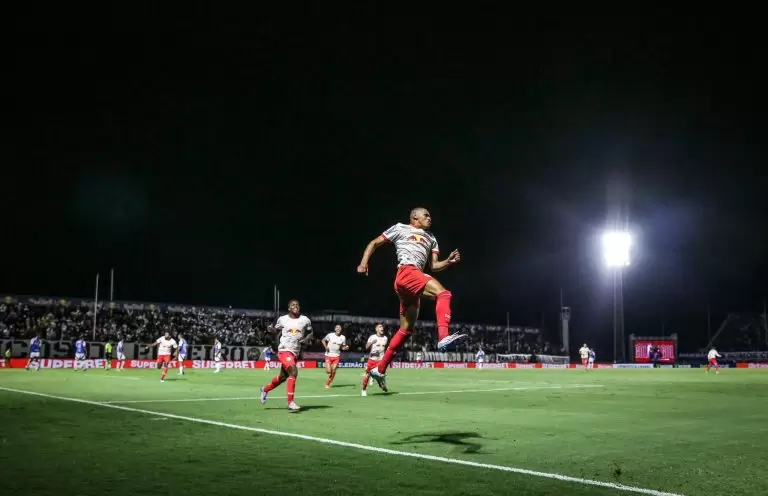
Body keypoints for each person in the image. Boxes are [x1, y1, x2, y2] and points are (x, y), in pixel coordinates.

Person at [358, 207, 467, 391]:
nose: (430, 218)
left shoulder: (431, 238)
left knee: (406, 330)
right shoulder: (400, 228)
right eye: (426, 215)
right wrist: (363, 263)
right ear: (415, 217)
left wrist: (448, 262)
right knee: (444, 294)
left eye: (430, 216)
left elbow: (434, 266)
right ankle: (443, 337)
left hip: (411, 282)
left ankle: (380, 369)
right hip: (407, 271)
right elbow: (374, 243)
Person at [260, 299, 314, 412]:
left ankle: (264, 389)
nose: (296, 306)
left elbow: (310, 332)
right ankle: (290, 402)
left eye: (297, 305)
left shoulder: (305, 320)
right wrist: (271, 329)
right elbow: (276, 330)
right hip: (284, 350)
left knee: (282, 378)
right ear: (289, 308)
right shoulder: (282, 319)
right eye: (293, 305)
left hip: (295, 351)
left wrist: (306, 339)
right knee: (293, 371)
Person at [362, 324, 388, 396]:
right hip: (372, 360)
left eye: (382, 327)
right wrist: (371, 342)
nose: (382, 328)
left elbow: (385, 349)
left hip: (381, 361)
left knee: (380, 375)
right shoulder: (372, 337)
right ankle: (364, 390)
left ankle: (380, 383)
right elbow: (366, 347)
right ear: (376, 329)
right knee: (367, 375)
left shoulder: (385, 338)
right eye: (380, 327)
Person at [322, 324, 349, 389]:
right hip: (328, 355)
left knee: (333, 370)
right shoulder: (330, 335)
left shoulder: (343, 337)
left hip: (336, 356)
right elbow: (323, 340)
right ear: (335, 329)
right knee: (328, 371)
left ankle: (327, 384)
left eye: (339, 328)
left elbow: (342, 347)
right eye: (337, 327)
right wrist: (326, 347)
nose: (338, 328)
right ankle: (330, 370)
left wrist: (345, 348)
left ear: (341, 329)